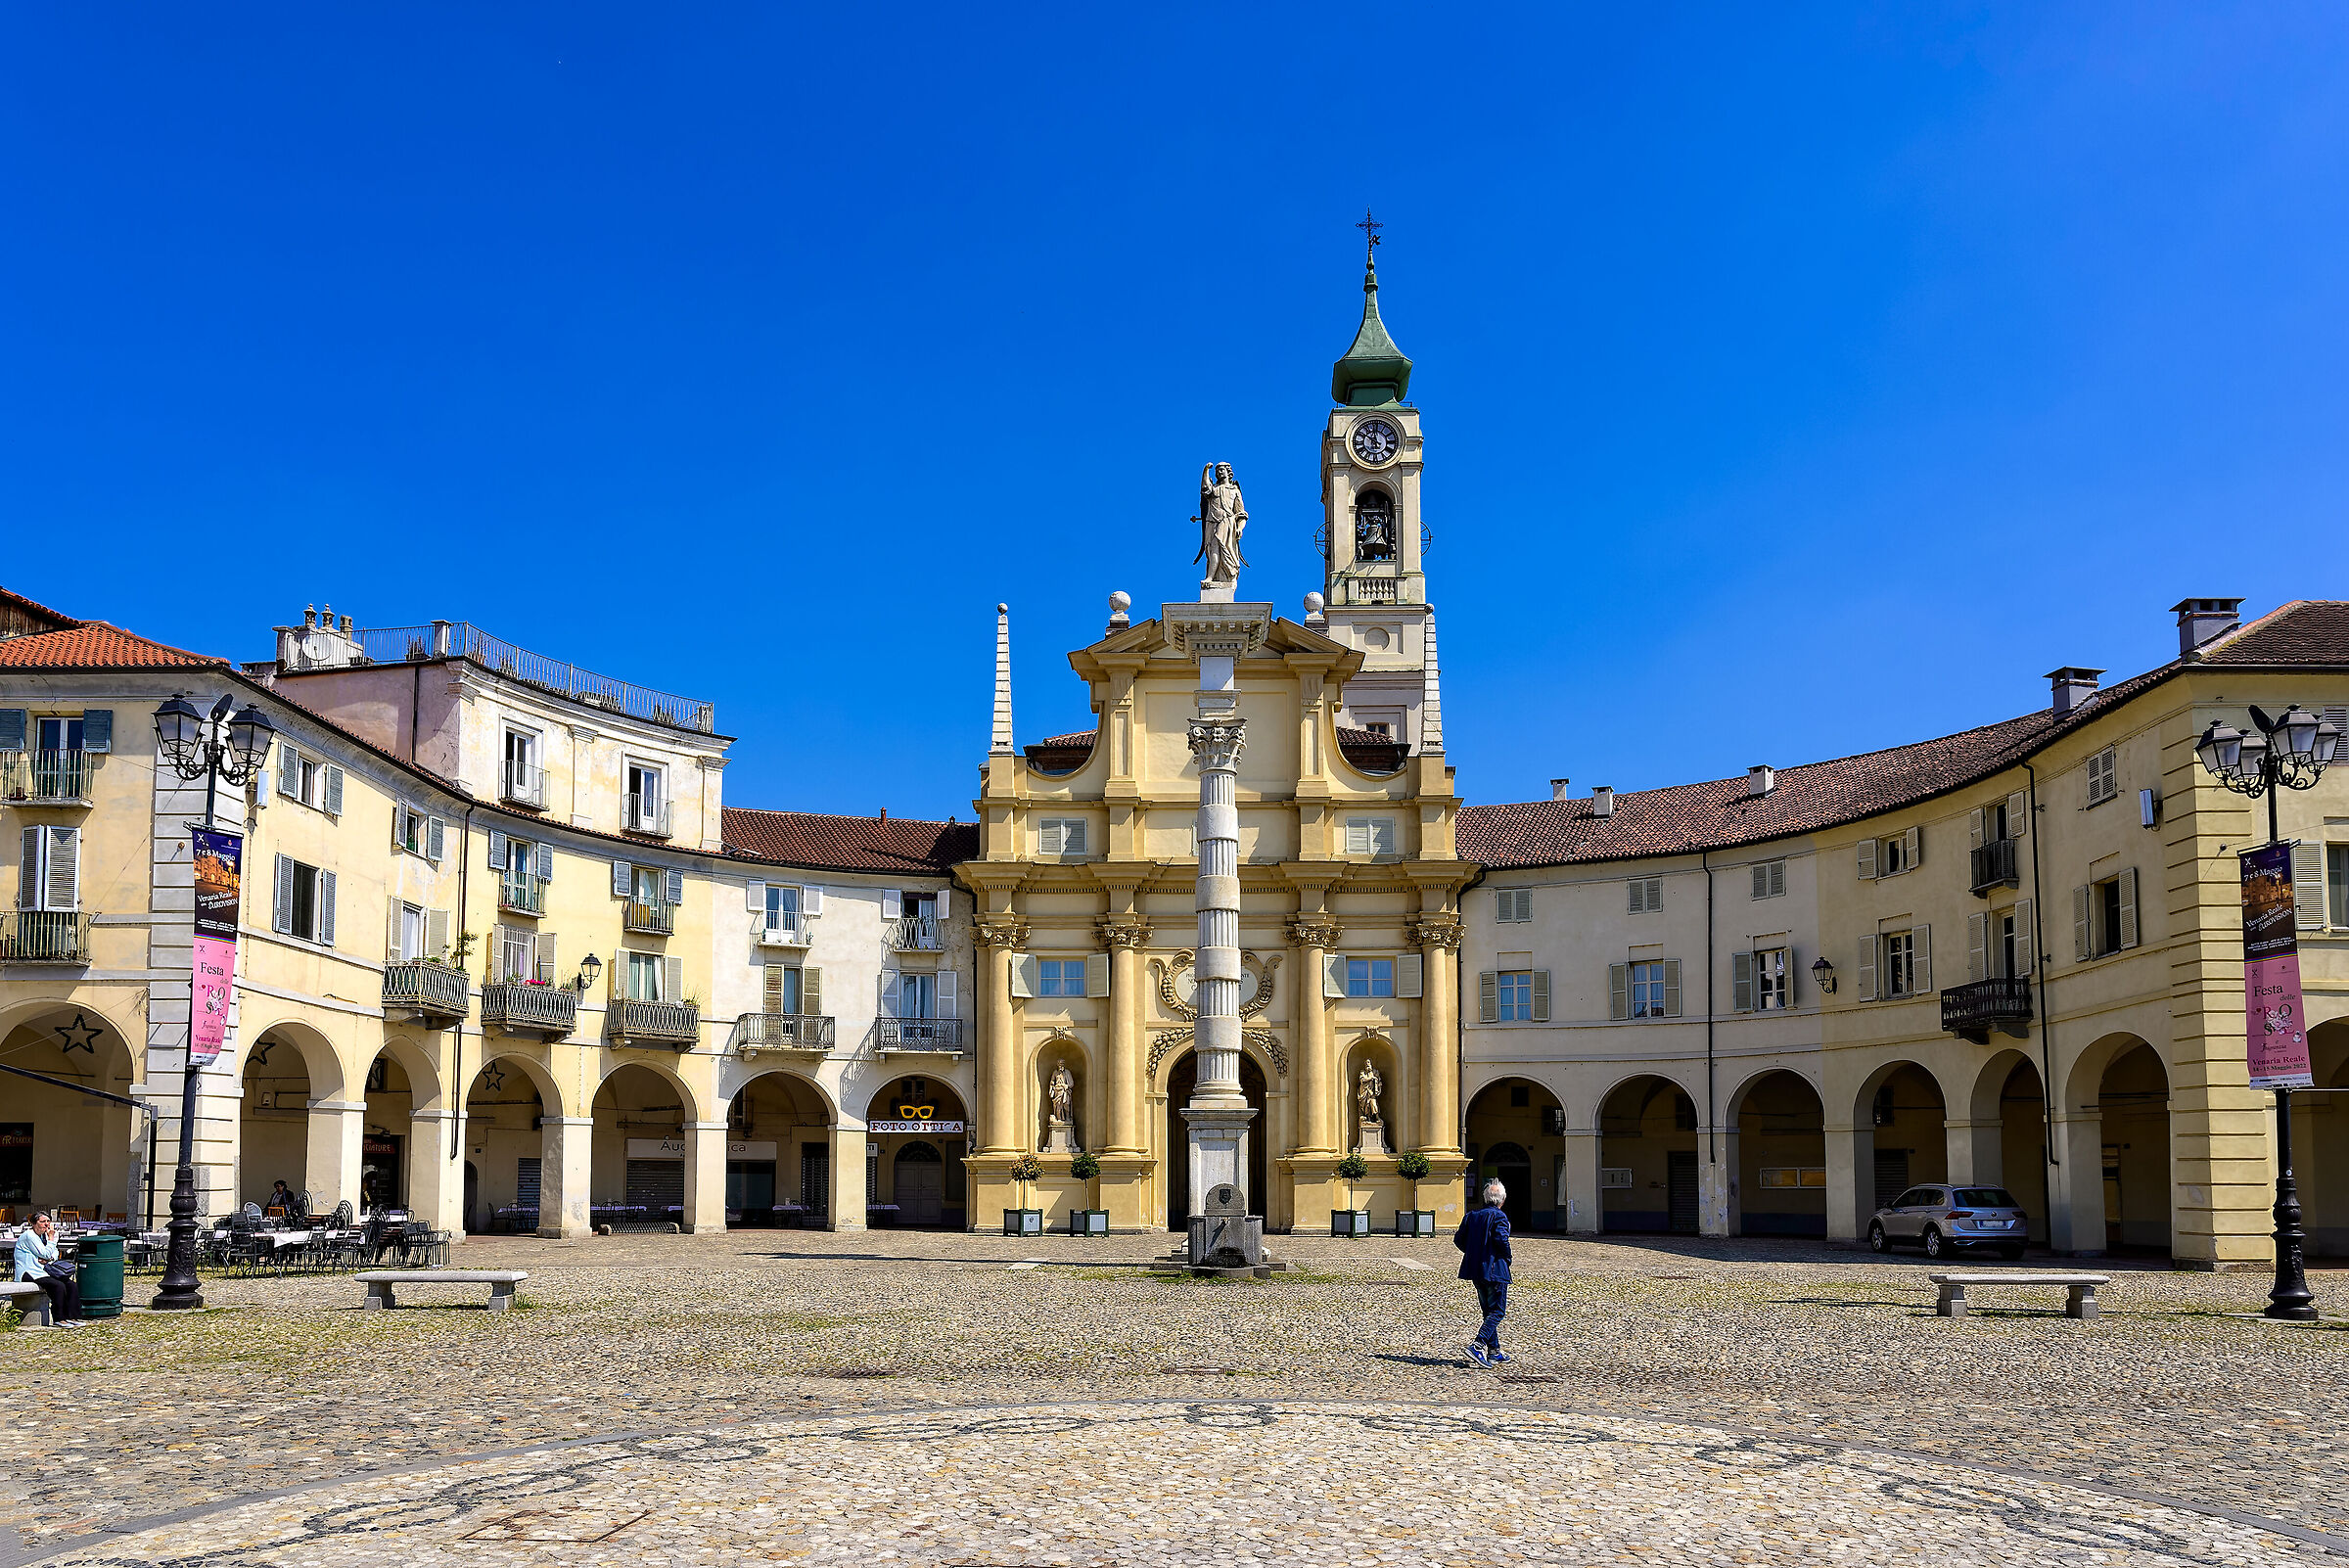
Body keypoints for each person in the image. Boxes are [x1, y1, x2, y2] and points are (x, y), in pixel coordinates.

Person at [1453, 1178, 1513, 1366]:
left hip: (1477, 1270)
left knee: (1488, 1311)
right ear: (1502, 1200)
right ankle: (1478, 1346)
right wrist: (1507, 1257)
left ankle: (1494, 1351)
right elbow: (1501, 1240)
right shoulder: (1500, 1217)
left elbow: (1459, 1239)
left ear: (1486, 1198)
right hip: (1495, 1270)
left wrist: (1474, 1253)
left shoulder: (1472, 1216)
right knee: (1497, 1311)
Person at [12, 1210, 83, 1326]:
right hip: (28, 1271)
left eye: (48, 1221)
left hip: (43, 1271)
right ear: (34, 1224)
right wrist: (50, 1241)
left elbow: (54, 1253)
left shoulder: (43, 1236)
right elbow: (45, 1253)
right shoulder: (30, 1236)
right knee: (58, 1286)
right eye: (42, 1221)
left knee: (71, 1285)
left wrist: (48, 1258)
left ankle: (72, 1316)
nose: (46, 1224)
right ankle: (59, 1318)